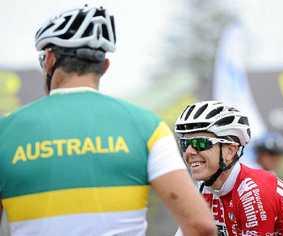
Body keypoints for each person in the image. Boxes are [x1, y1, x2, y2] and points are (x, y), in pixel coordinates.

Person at [0, 6, 216, 236]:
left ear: (50, 60)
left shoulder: (5, 132)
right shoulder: (147, 127)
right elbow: (201, 226)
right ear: (104, 66)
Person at [174, 100, 283, 235]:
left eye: (201, 143)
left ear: (230, 150)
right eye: (185, 143)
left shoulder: (252, 193)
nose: (189, 152)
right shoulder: (205, 187)